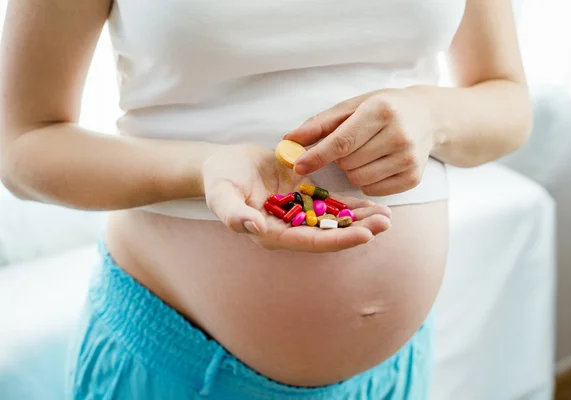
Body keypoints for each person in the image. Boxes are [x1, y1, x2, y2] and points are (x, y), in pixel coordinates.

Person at [0, 0, 531, 398]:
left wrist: (430, 116)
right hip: (175, 365)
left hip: (392, 373)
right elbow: (22, 145)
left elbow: (506, 100)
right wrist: (200, 168)